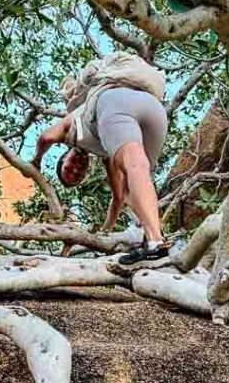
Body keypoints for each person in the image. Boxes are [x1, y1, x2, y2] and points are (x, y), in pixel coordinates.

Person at [32, 83, 172, 266]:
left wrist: (36, 161)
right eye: (78, 175)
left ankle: (154, 242)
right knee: (139, 178)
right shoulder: (107, 150)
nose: (76, 168)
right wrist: (104, 232)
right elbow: (119, 197)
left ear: (64, 156)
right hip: (153, 109)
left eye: (68, 168)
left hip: (113, 102)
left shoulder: (69, 129)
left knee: (135, 166)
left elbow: (45, 138)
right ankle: (153, 239)